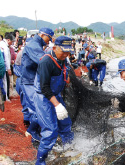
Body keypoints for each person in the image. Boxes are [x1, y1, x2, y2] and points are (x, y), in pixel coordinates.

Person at [33, 36, 74, 165]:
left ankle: (69, 150)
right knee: (50, 130)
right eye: (64, 51)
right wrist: (57, 105)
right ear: (55, 47)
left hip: (56, 95)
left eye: (69, 52)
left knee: (65, 123)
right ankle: (40, 161)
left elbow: (64, 72)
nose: (66, 55)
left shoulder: (63, 58)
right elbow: (44, 87)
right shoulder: (46, 61)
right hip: (44, 97)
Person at [20, 27, 54, 132]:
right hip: (29, 81)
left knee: (34, 107)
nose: (49, 42)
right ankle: (32, 132)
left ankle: (34, 130)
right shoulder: (33, 46)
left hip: (32, 79)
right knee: (36, 108)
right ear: (43, 35)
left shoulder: (37, 45)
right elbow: (43, 62)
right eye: (49, 39)